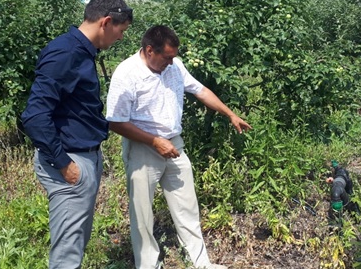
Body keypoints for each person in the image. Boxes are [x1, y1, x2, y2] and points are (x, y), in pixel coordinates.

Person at [105, 25, 252, 269]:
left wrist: (230, 114)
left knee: (187, 207)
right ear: (150, 50)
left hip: (175, 145)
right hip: (143, 148)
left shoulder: (175, 66)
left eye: (174, 57)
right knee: (142, 213)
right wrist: (154, 141)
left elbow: (200, 90)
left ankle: (201, 263)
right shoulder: (126, 74)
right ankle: (148, 264)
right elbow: (115, 122)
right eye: (167, 57)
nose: (172, 63)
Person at [21, 0, 133, 268]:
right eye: (121, 31)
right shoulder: (66, 53)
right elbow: (34, 116)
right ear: (106, 22)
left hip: (83, 157)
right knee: (67, 256)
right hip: (70, 161)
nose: (121, 38)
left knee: (75, 244)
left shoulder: (82, 52)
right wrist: (64, 164)